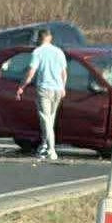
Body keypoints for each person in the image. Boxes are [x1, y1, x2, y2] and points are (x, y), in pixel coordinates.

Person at [16, 29, 67, 161]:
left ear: (39, 38)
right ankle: (44, 146)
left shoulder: (38, 52)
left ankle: (51, 150)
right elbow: (64, 73)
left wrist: (22, 86)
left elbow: (31, 72)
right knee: (50, 118)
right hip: (57, 89)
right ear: (50, 38)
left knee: (46, 120)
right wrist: (62, 87)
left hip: (44, 89)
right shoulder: (59, 52)